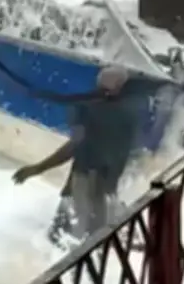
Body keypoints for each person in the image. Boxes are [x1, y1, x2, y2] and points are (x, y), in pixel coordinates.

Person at [12, 66, 140, 240]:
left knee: (64, 238)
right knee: (96, 240)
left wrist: (37, 168)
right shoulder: (129, 115)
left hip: (84, 183)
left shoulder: (89, 110)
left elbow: (74, 146)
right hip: (108, 188)